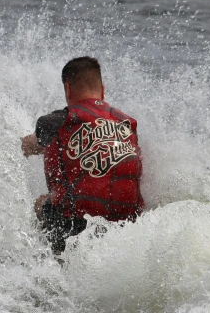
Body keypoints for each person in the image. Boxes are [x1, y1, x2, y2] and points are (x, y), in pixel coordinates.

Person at [21, 56, 144, 254]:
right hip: (128, 228)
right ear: (103, 90)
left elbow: (30, 146)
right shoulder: (128, 124)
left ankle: (45, 261)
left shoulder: (55, 122)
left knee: (40, 203)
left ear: (68, 89)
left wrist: (13, 145)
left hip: (75, 227)